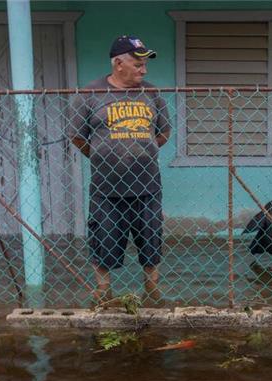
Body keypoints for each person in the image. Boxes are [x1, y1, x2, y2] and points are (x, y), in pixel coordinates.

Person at [70, 35, 171, 307]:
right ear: (118, 63)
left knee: (151, 240)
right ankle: (104, 292)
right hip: (107, 186)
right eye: (138, 64)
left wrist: (143, 150)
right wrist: (103, 156)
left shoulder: (152, 94)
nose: (144, 70)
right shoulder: (90, 94)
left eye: (145, 65)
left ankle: (152, 290)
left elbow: (164, 132)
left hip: (147, 184)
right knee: (103, 240)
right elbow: (77, 136)